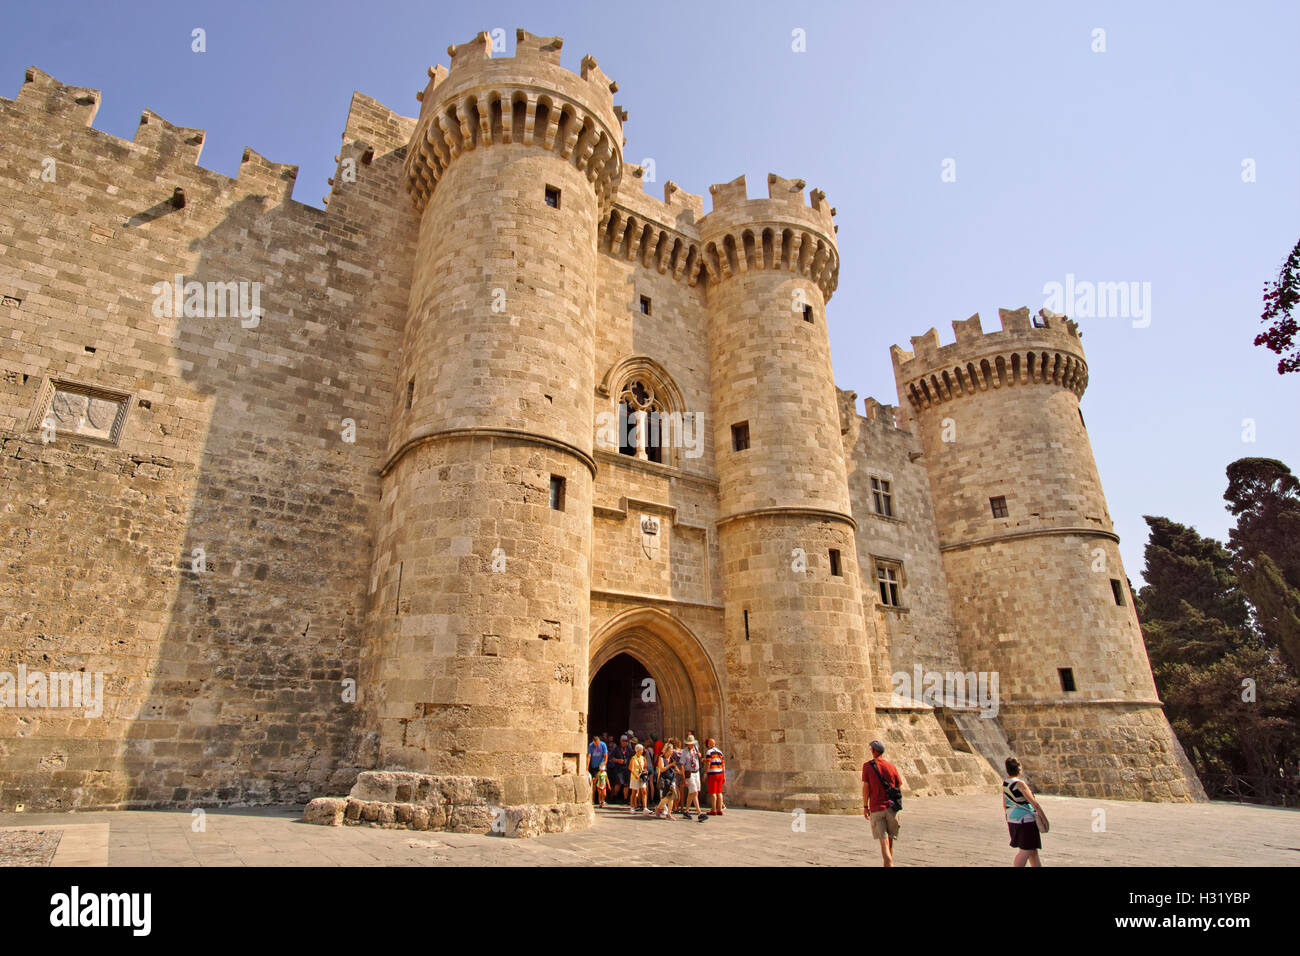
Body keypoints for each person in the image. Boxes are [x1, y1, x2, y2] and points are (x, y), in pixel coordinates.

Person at [862, 739, 903, 867]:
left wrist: (865, 806)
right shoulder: (891, 767)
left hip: (877, 808)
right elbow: (899, 787)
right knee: (890, 841)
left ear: (874, 751)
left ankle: (889, 863)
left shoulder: (868, 766)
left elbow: (866, 788)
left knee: (883, 842)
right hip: (892, 808)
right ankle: (888, 863)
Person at [1003, 757, 1045, 867]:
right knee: (1025, 851)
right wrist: (1044, 818)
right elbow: (1034, 803)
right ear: (1019, 769)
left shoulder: (1006, 783)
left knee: (1032, 851)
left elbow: (1005, 804)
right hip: (1025, 821)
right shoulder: (1020, 784)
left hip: (1013, 819)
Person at [682, 735, 705, 820]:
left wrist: (700, 756)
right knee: (694, 792)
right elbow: (682, 765)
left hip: (696, 772)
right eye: (690, 743)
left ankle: (686, 811)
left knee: (693, 793)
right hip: (690, 774)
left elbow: (698, 760)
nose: (691, 745)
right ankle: (700, 813)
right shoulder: (684, 752)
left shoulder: (695, 750)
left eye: (692, 743)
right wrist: (684, 778)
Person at [655, 742, 678, 819]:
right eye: (671, 750)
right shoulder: (661, 758)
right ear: (666, 750)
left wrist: (681, 772)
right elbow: (661, 769)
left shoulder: (672, 758)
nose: (672, 751)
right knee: (665, 798)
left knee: (671, 797)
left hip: (672, 779)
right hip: (665, 780)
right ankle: (658, 808)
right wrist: (671, 765)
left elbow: (675, 768)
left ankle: (669, 813)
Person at [704, 737, 725, 815]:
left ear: (709, 744)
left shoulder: (709, 752)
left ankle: (713, 809)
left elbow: (708, 763)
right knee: (719, 792)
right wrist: (724, 775)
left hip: (713, 774)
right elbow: (723, 765)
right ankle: (719, 809)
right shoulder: (720, 752)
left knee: (713, 792)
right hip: (720, 773)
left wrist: (705, 773)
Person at [610, 735, 632, 804]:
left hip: (626, 768)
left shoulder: (629, 749)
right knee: (618, 783)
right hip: (619, 769)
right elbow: (611, 758)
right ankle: (614, 796)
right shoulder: (617, 749)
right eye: (623, 741)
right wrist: (618, 760)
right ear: (621, 741)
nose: (625, 742)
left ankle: (625, 799)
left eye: (626, 741)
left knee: (626, 784)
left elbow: (631, 757)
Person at [587, 734, 608, 805]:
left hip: (601, 766)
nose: (597, 745)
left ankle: (603, 800)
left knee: (602, 783)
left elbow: (605, 756)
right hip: (594, 766)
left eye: (598, 743)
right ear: (593, 742)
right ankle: (592, 799)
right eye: (596, 744)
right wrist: (587, 768)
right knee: (593, 782)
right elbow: (589, 756)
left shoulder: (603, 745)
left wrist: (604, 764)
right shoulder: (590, 746)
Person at [628, 743, 648, 813]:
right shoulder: (633, 758)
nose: (642, 751)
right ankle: (632, 807)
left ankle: (645, 807)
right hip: (635, 777)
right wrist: (635, 774)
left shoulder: (643, 758)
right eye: (641, 750)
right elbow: (630, 768)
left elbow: (645, 767)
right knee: (634, 792)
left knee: (644, 791)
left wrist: (645, 771)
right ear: (637, 751)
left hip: (641, 776)